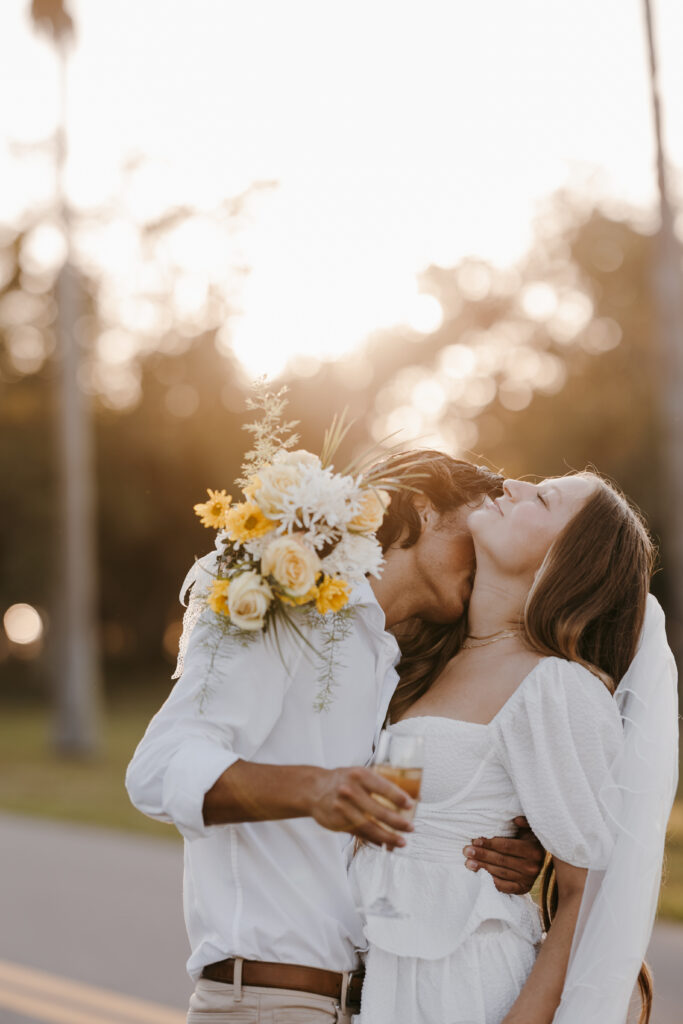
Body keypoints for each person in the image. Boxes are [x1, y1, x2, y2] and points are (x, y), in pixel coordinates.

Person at [125, 451, 545, 1023]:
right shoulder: (283, 594)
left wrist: (502, 849)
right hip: (272, 1005)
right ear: (422, 508)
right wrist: (313, 789)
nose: (492, 549)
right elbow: (159, 766)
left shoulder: (396, 664)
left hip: (374, 1005)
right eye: (481, 521)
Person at [351, 472, 677, 1024]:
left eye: (543, 498)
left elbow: (587, 892)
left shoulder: (554, 686)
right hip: (387, 975)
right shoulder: (427, 655)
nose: (515, 484)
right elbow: (405, 817)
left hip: (466, 983)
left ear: (565, 562)